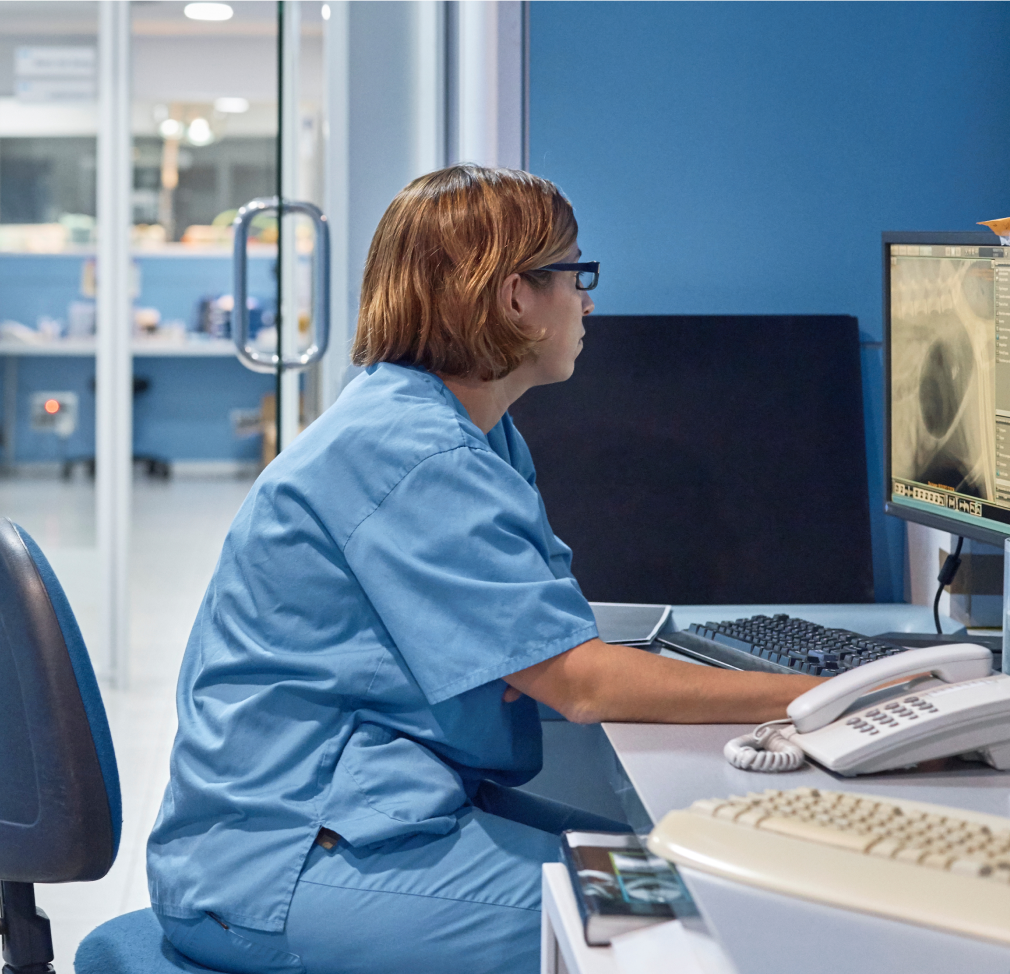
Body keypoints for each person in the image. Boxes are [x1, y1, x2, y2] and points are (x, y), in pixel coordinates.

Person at [147, 165, 822, 974]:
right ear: (514, 298)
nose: (589, 301)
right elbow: (581, 684)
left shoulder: (465, 432)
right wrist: (822, 698)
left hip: (367, 817)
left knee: (686, 872)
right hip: (281, 866)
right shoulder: (414, 452)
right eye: (577, 275)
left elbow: (536, 651)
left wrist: (551, 667)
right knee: (693, 928)